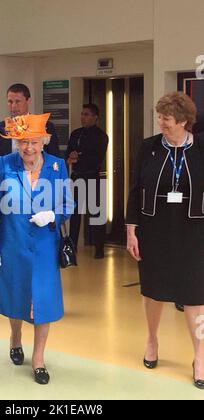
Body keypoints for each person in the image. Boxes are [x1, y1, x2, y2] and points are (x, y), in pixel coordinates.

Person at [0, 113, 73, 385]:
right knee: (16, 293)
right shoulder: (6, 164)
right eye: (22, 142)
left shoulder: (57, 166)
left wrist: (53, 215)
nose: (28, 148)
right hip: (13, 242)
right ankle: (15, 337)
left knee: (44, 299)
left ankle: (39, 358)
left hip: (44, 246)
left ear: (44, 141)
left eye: (33, 142)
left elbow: (68, 206)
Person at [126, 91, 204, 389]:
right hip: (154, 227)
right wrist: (131, 228)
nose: (162, 123)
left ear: (184, 121)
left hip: (194, 229)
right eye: (159, 117)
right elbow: (135, 189)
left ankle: (200, 356)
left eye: (167, 119)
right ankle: (152, 340)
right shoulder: (149, 147)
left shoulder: (200, 148)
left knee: (196, 295)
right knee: (154, 291)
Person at [66, 103, 108, 259]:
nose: (83, 117)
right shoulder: (76, 133)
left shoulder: (101, 136)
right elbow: (69, 152)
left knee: (96, 213)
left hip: (92, 177)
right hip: (76, 176)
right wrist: (72, 156)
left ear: (95, 117)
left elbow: (96, 157)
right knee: (75, 213)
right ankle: (72, 245)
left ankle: (99, 248)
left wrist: (79, 156)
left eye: (87, 114)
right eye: (82, 114)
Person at [0, 83, 60, 163]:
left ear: (28, 101)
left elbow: (54, 157)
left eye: (18, 101)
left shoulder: (46, 126)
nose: (13, 106)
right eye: (10, 102)